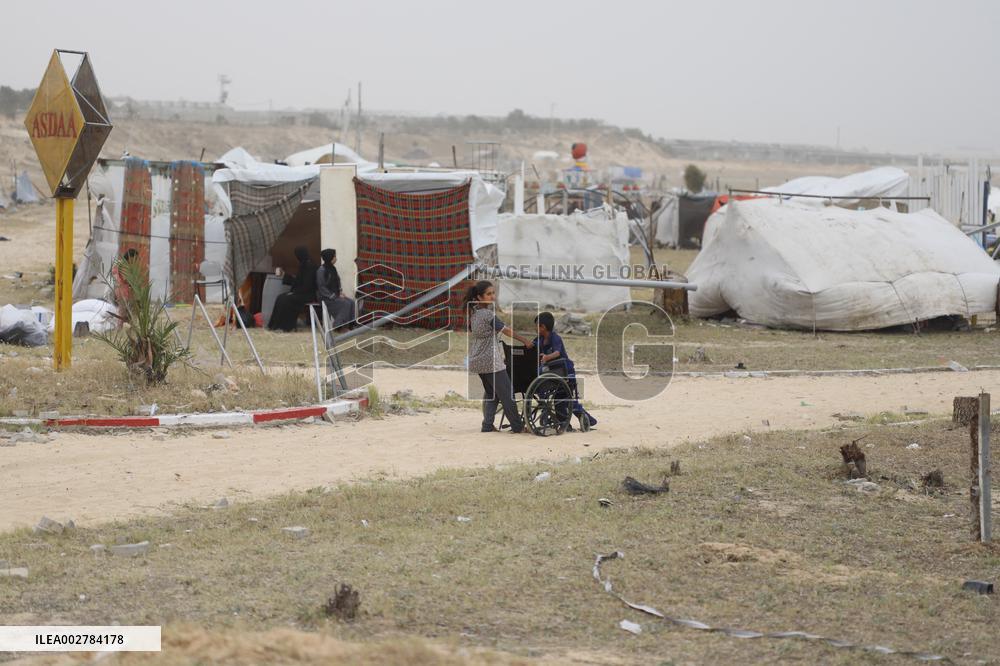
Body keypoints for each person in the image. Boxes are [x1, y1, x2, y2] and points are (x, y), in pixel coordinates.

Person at [463, 280, 534, 433]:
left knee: (492, 394)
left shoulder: (474, 313)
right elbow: (506, 331)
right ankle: (518, 426)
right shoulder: (488, 315)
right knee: (508, 395)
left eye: (493, 293)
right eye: (489, 294)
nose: (493, 296)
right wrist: (525, 340)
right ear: (479, 297)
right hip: (491, 361)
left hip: (477, 360)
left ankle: (487, 425)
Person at [533, 311, 597, 428]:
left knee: (567, 400)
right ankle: (564, 423)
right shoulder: (539, 339)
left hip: (565, 371)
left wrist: (547, 357)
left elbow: (557, 353)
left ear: (543, 327)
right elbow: (531, 347)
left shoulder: (555, 338)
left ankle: (586, 419)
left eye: (537, 326)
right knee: (559, 401)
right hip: (551, 372)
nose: (535, 329)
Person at [267, 246, 317, 332]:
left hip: (308, 294)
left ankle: (285, 327)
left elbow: (307, 285)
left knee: (286, 300)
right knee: (280, 298)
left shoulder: (310, 266)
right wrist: (284, 275)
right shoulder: (303, 265)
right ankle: (275, 325)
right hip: (301, 293)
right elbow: (298, 281)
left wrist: (294, 292)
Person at [316, 248, 356, 329]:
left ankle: (350, 325)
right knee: (345, 304)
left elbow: (337, 281)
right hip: (325, 297)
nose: (336, 258)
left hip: (335, 295)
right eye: (334, 256)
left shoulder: (332, 268)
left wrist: (340, 292)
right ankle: (338, 326)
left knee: (351, 302)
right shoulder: (321, 270)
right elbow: (321, 287)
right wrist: (334, 296)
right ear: (329, 257)